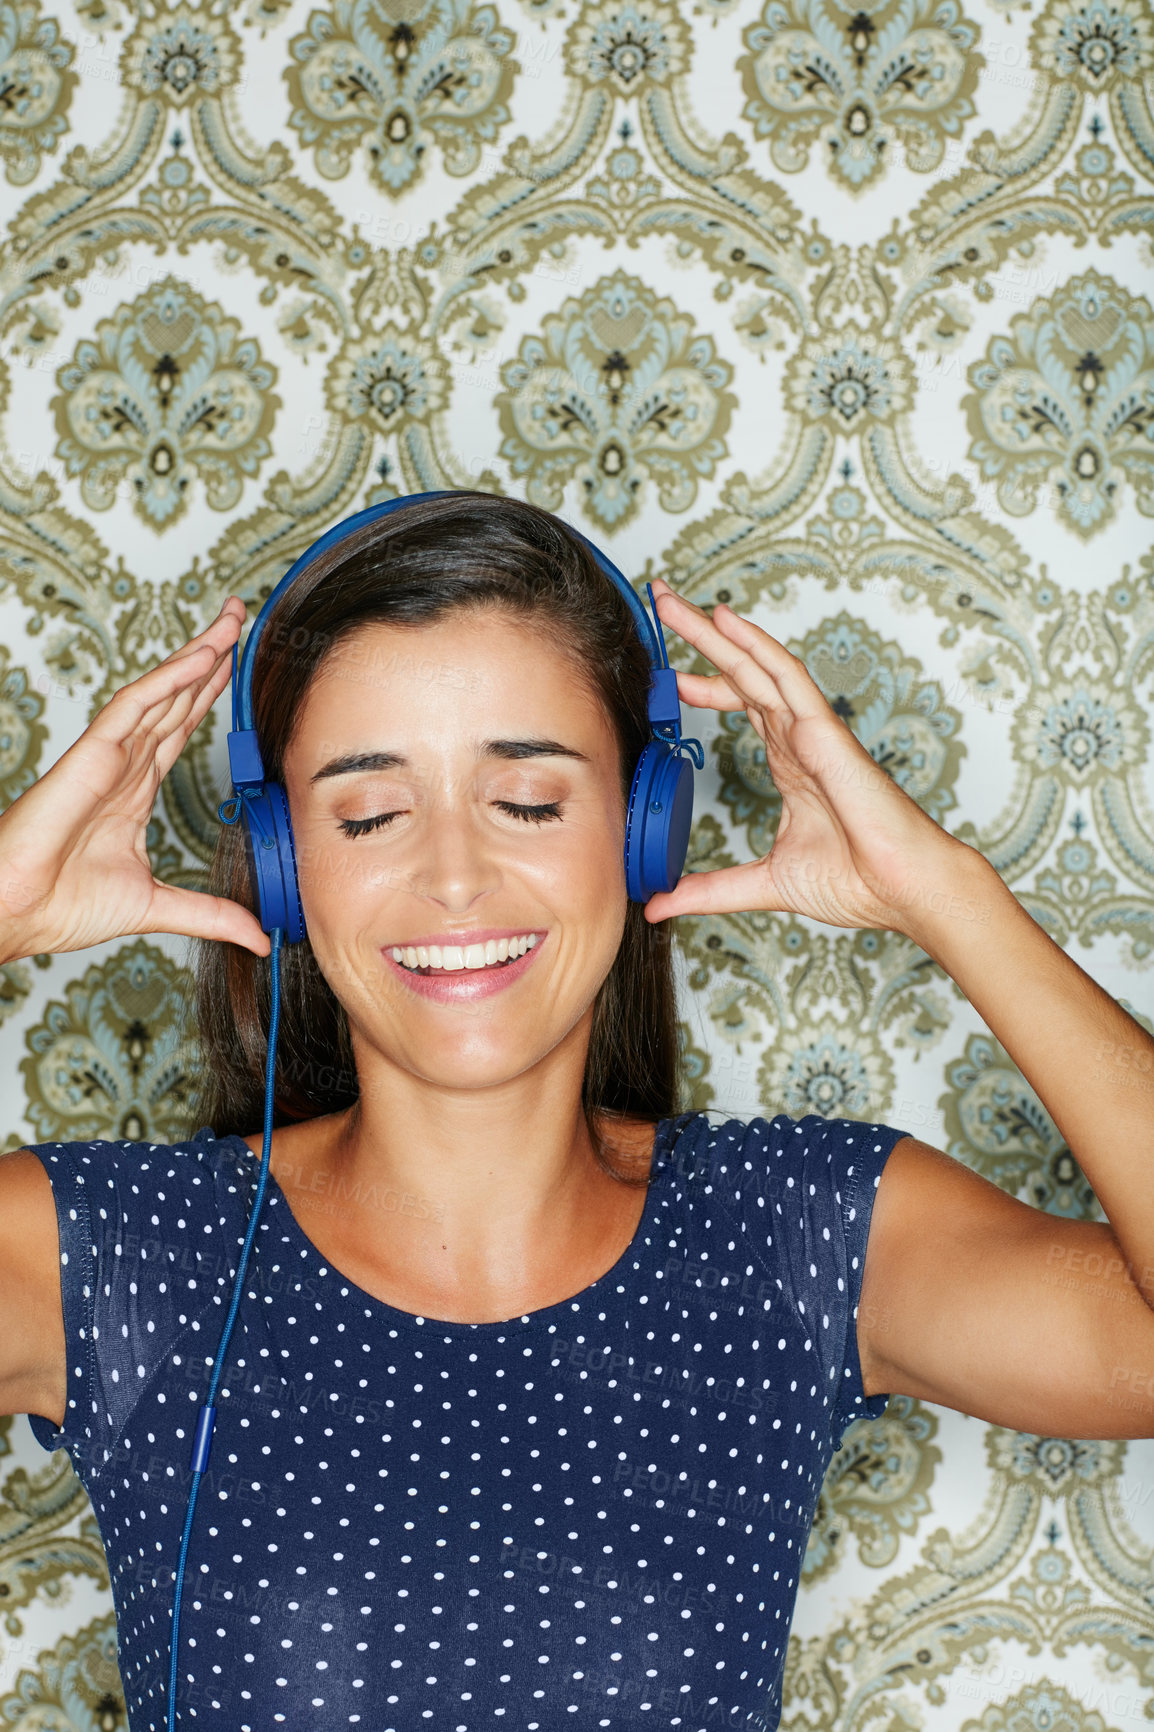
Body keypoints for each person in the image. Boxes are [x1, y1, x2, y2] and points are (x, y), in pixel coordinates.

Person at [0, 490, 1150, 1732]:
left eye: (530, 801)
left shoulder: (804, 1232)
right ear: (284, 862)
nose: (452, 877)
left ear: (643, 829)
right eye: (369, 814)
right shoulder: (106, 1254)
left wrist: (946, 895)